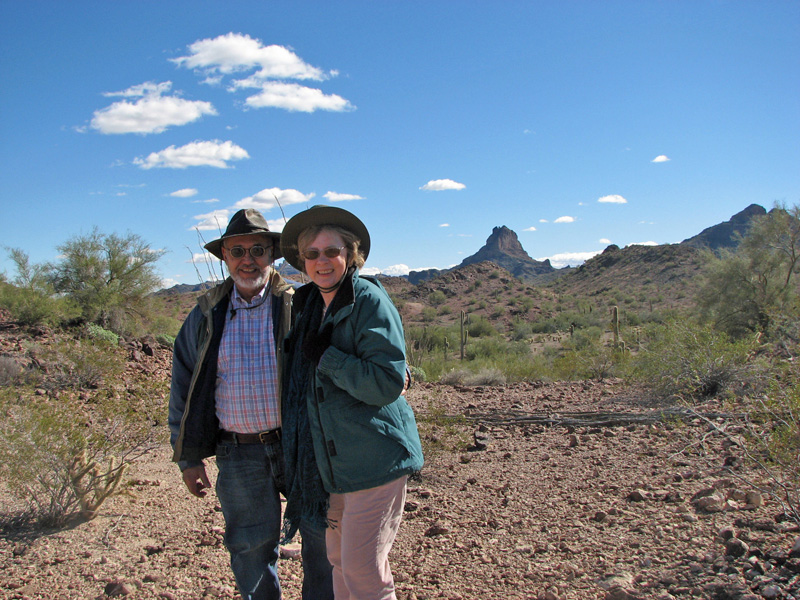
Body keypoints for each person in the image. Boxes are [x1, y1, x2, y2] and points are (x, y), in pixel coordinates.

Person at [168, 208, 333, 600]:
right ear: (224, 256)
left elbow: (346, 343)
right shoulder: (206, 314)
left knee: (320, 541)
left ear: (273, 254)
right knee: (249, 548)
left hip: (300, 445)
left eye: (257, 249)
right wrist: (187, 457)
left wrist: (397, 371)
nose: (248, 259)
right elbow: (183, 383)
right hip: (237, 452)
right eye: (237, 250)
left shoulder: (299, 303)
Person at [279, 205, 424, 600]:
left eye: (332, 251)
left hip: (374, 459)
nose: (322, 261)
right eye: (312, 254)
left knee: (362, 570)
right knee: (339, 560)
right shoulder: (309, 305)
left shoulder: (367, 302)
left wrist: (329, 358)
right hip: (336, 464)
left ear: (351, 254)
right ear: (303, 261)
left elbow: (387, 382)